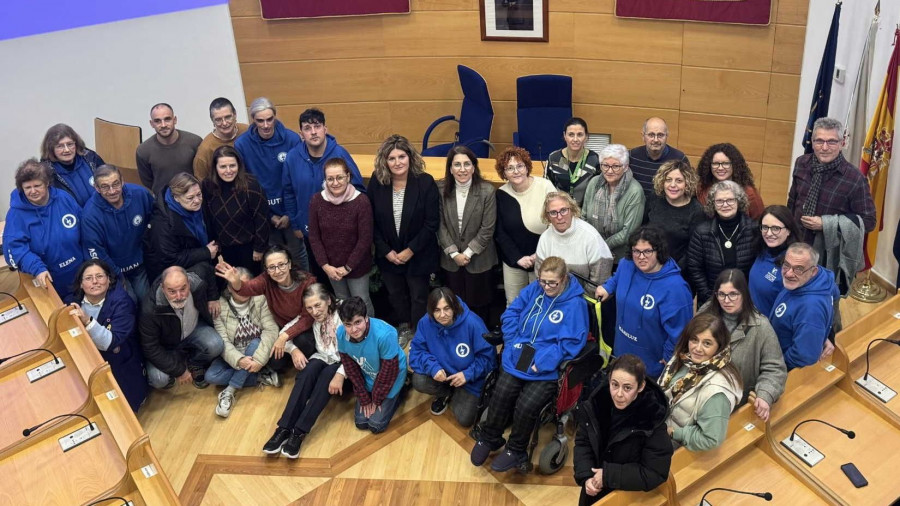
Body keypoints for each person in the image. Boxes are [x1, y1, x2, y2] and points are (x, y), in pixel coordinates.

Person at [471, 257, 587, 472]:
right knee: (502, 392)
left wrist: (542, 362)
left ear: (564, 279)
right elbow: (511, 313)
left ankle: (516, 450)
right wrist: (514, 342)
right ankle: (490, 437)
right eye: (543, 281)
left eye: (553, 283)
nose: (547, 287)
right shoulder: (535, 289)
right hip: (522, 350)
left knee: (526, 404)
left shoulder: (575, 304)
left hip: (548, 363)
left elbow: (571, 343)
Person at [368, 135, 440, 346]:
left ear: (410, 157)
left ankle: (419, 332)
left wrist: (410, 250)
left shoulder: (425, 182)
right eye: (392, 158)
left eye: (402, 156)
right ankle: (404, 327)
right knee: (395, 294)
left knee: (419, 296)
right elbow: (370, 220)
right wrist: (386, 251)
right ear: (385, 161)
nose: (397, 162)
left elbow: (431, 223)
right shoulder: (377, 181)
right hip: (388, 254)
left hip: (418, 254)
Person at [573, 354, 672, 505]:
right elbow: (583, 443)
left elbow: (654, 473)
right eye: (614, 385)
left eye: (627, 388)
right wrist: (586, 476)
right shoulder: (596, 405)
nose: (619, 394)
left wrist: (608, 475)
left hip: (629, 496)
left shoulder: (652, 420)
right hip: (594, 489)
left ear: (640, 387)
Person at [595, 227, 693, 379]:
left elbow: (681, 330)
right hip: (621, 351)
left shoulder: (676, 289)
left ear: (658, 251)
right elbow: (616, 278)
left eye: (647, 251)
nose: (641, 257)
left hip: (650, 366)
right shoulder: (626, 265)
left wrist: (668, 357)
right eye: (636, 251)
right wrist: (608, 287)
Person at [263, 284, 348, 458]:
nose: (314, 311)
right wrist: (294, 350)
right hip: (322, 356)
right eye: (309, 307)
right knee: (307, 372)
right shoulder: (309, 317)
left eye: (318, 305)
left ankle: (299, 432)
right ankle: (284, 428)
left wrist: (341, 373)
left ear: (328, 300)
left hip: (344, 363)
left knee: (325, 376)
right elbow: (283, 335)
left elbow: (359, 350)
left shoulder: (344, 312)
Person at [283, 108, 365, 277]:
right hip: (310, 232)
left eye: (317, 126)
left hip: (342, 234)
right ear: (301, 134)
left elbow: (359, 190)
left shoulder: (340, 154)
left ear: (325, 129)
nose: (313, 132)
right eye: (307, 128)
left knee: (343, 281)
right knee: (321, 279)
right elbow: (289, 192)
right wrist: (295, 222)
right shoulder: (292, 157)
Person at [700, 269, 787, 422]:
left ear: (744, 294)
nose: (727, 300)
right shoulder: (705, 313)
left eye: (733, 294)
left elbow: (775, 369)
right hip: (701, 396)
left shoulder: (761, 326)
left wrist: (765, 395)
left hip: (736, 405)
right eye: (721, 294)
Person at [583, 144, 645, 349]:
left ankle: (610, 349)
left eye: (616, 166)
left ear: (626, 167)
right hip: (592, 257)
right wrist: (591, 245)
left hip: (619, 261)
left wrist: (599, 246)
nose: (609, 171)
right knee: (591, 305)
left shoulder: (635, 191)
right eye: (605, 166)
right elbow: (584, 216)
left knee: (612, 310)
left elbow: (629, 233)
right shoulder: (593, 184)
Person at [215, 246, 317, 368]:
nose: (278, 271)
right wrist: (236, 282)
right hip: (283, 329)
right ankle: (292, 354)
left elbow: (308, 317)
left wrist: (284, 337)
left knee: (303, 341)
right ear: (267, 270)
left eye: (281, 265)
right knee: (275, 363)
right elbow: (247, 288)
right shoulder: (266, 280)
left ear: (289, 264)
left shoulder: (308, 282)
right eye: (272, 267)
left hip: (304, 328)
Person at [66, 259, 148, 412]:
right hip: (87, 359)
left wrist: (87, 321)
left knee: (124, 411)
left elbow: (111, 342)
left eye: (100, 276)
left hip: (119, 363)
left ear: (109, 280)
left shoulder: (123, 303)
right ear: (81, 283)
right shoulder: (71, 302)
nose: (95, 282)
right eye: (89, 278)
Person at [234, 97, 306, 269]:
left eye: (269, 119)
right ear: (253, 120)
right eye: (260, 120)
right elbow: (244, 184)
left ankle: (307, 291)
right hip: (262, 214)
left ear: (275, 116)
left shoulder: (292, 139)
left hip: (291, 211)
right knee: (272, 258)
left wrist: (289, 213)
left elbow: (298, 179)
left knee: (298, 253)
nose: (266, 125)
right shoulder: (242, 145)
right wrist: (268, 216)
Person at [409, 287, 496, 427]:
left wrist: (467, 375)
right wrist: (432, 367)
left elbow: (488, 359)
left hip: (469, 378)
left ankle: (464, 394)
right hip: (443, 374)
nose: (442, 315)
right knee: (419, 381)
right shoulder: (425, 322)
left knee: (464, 419)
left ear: (454, 307)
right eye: (437, 310)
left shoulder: (473, 323)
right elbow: (416, 352)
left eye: (447, 308)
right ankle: (447, 392)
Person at [658, 313, 743, 452]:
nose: (697, 348)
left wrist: (673, 432)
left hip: (676, 446)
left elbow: (711, 439)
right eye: (694, 340)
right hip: (659, 425)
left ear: (719, 346)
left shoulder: (717, 392)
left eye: (707, 343)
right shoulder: (685, 358)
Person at [787, 117, 876, 247]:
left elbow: (869, 222)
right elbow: (792, 202)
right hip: (796, 243)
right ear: (812, 142)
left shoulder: (855, 179)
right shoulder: (801, 163)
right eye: (819, 141)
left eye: (832, 142)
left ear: (842, 143)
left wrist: (827, 224)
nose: (824, 147)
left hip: (829, 253)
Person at [206, 266, 281, 418]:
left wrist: (259, 359)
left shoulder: (260, 298)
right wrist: (239, 360)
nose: (241, 289)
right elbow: (223, 341)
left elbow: (271, 330)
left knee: (254, 343)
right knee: (211, 376)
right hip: (235, 353)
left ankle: (229, 391)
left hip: (259, 351)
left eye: (245, 285)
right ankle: (259, 376)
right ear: (229, 287)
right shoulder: (219, 306)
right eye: (237, 285)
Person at [3, 159, 83, 299]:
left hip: (81, 271)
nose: (33, 191)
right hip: (49, 278)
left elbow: (84, 228)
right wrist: (37, 268)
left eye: (37, 186)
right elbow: (15, 249)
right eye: (27, 188)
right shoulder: (16, 214)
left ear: (47, 183)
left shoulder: (63, 198)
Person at [437, 146, 498, 324]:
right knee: (454, 305)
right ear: (450, 168)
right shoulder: (441, 190)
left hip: (479, 259)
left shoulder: (487, 191)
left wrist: (468, 253)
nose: (462, 169)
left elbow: (488, 228)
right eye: (457, 165)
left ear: (473, 167)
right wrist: (455, 254)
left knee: (480, 306)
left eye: (466, 164)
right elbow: (439, 225)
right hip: (451, 260)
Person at [308, 158, 375, 316]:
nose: (335, 183)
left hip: (356, 266)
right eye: (330, 179)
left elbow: (365, 239)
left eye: (339, 177)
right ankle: (349, 335)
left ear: (348, 177)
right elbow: (314, 237)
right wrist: (325, 266)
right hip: (331, 267)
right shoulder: (317, 200)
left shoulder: (361, 201)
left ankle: (371, 335)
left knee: (362, 301)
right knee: (342, 300)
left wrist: (348, 267)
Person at [139, 266, 225, 389]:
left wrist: (213, 297)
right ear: (163, 289)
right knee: (159, 379)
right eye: (172, 291)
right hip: (165, 346)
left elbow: (207, 269)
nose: (179, 296)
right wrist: (179, 371)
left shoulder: (197, 279)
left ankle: (194, 362)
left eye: (183, 289)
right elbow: (150, 347)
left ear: (189, 283)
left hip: (193, 330)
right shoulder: (149, 310)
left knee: (216, 345)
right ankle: (176, 363)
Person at [142, 173, 219, 307]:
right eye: (190, 197)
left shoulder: (197, 206)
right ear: (176, 198)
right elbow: (169, 259)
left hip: (199, 262)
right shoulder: (162, 224)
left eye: (199, 195)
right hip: (172, 275)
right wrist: (205, 252)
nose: (197, 200)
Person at [81, 164, 155, 303]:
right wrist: (116, 276)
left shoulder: (140, 194)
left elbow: (156, 221)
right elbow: (96, 252)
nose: (112, 191)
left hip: (140, 263)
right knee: (128, 302)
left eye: (116, 184)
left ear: (122, 181)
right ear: (97, 188)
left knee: (147, 300)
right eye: (105, 187)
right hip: (113, 270)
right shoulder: (90, 215)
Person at [494, 146, 556, 304]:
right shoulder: (501, 194)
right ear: (504, 172)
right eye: (509, 168)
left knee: (543, 304)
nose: (516, 171)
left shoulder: (545, 186)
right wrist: (517, 258)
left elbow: (557, 222)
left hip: (544, 257)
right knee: (514, 305)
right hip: (514, 260)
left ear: (527, 166)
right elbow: (499, 232)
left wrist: (538, 255)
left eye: (520, 166)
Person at [338, 296, 408, 434]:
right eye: (348, 324)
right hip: (369, 376)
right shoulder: (340, 333)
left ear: (366, 318)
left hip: (392, 376)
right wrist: (364, 397)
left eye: (357, 322)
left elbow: (389, 372)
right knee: (361, 422)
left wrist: (376, 399)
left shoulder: (384, 335)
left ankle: (401, 391)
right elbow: (350, 368)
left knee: (376, 425)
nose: (353, 329)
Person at [769, 243, 839, 370]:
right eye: (786, 265)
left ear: (813, 271)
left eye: (798, 269)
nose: (789, 273)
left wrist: (774, 368)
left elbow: (804, 356)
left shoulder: (811, 309)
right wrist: (822, 335)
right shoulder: (815, 280)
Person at [201, 146, 269, 274]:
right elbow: (206, 217)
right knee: (229, 285)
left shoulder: (251, 184)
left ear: (239, 165)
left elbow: (262, 218)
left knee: (250, 284)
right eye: (223, 167)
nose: (228, 171)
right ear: (215, 168)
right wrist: (213, 245)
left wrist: (259, 248)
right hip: (223, 248)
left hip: (249, 248)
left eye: (232, 166)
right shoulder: (207, 185)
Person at [687, 180, 756, 306]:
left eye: (730, 200)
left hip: (745, 301)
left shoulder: (753, 230)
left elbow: (757, 269)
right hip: (711, 301)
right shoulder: (702, 232)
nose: (725, 204)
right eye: (719, 201)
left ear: (738, 201)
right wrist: (711, 297)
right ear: (713, 204)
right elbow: (694, 268)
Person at [535, 192, 613, 287]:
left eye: (563, 210)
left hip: (584, 298)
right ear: (547, 216)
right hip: (552, 295)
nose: (559, 217)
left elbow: (600, 281)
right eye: (553, 213)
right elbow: (539, 276)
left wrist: (579, 300)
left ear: (572, 210)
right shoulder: (545, 237)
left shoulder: (591, 236)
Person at [643, 160, 705, 271]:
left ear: (687, 183)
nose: (672, 185)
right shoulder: (654, 198)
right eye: (668, 180)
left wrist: (671, 270)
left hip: (675, 270)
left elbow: (693, 250)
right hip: (646, 264)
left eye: (679, 181)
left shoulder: (697, 211)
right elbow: (641, 229)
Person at [136, 103, 203, 197]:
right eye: (157, 121)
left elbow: (202, 172)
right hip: (163, 204)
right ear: (151, 124)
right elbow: (148, 181)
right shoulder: (143, 150)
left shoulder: (195, 142)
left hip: (193, 199)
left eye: (167, 119)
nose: (163, 125)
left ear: (175, 120)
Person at [749, 205, 801, 316]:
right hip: (752, 320)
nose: (768, 233)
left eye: (776, 228)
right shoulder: (762, 249)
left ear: (789, 230)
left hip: (770, 328)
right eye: (765, 227)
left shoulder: (794, 264)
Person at [40, 123, 105, 206]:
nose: (67, 150)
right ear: (51, 149)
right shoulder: (45, 173)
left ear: (76, 144)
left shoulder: (91, 158)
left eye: (70, 144)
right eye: (60, 146)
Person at [696, 143, 765, 219]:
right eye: (716, 164)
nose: (720, 168)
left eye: (726, 163)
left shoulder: (749, 193)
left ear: (734, 165)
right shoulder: (701, 189)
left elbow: (759, 221)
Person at [544, 117, 600, 206]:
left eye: (580, 134)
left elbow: (599, 191)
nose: (575, 139)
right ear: (564, 136)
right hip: (560, 212)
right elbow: (546, 188)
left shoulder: (594, 159)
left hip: (585, 213)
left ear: (586, 137)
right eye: (571, 134)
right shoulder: (554, 158)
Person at [628, 117, 688, 198]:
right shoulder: (632, 156)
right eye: (651, 135)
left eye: (660, 135)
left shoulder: (680, 159)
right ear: (643, 136)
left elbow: (687, 191)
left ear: (667, 136)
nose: (656, 140)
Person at [193, 97, 249, 180]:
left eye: (228, 117)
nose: (224, 123)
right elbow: (201, 182)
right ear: (212, 121)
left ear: (235, 115)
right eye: (218, 119)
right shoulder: (205, 150)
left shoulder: (247, 131)